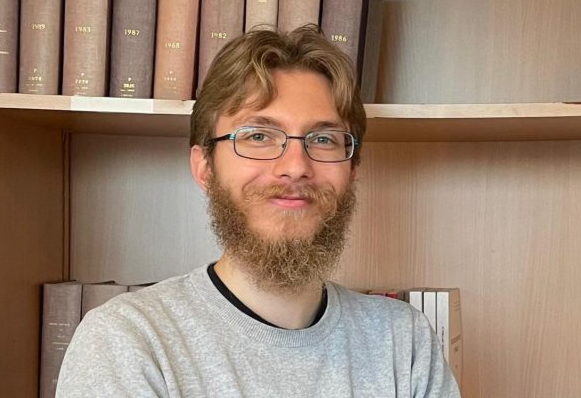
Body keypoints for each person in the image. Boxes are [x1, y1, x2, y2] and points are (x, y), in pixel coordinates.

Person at [56, 26, 461, 397]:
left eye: (323, 139)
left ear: (352, 171)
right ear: (205, 167)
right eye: (258, 135)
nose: (295, 166)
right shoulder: (129, 341)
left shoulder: (404, 342)